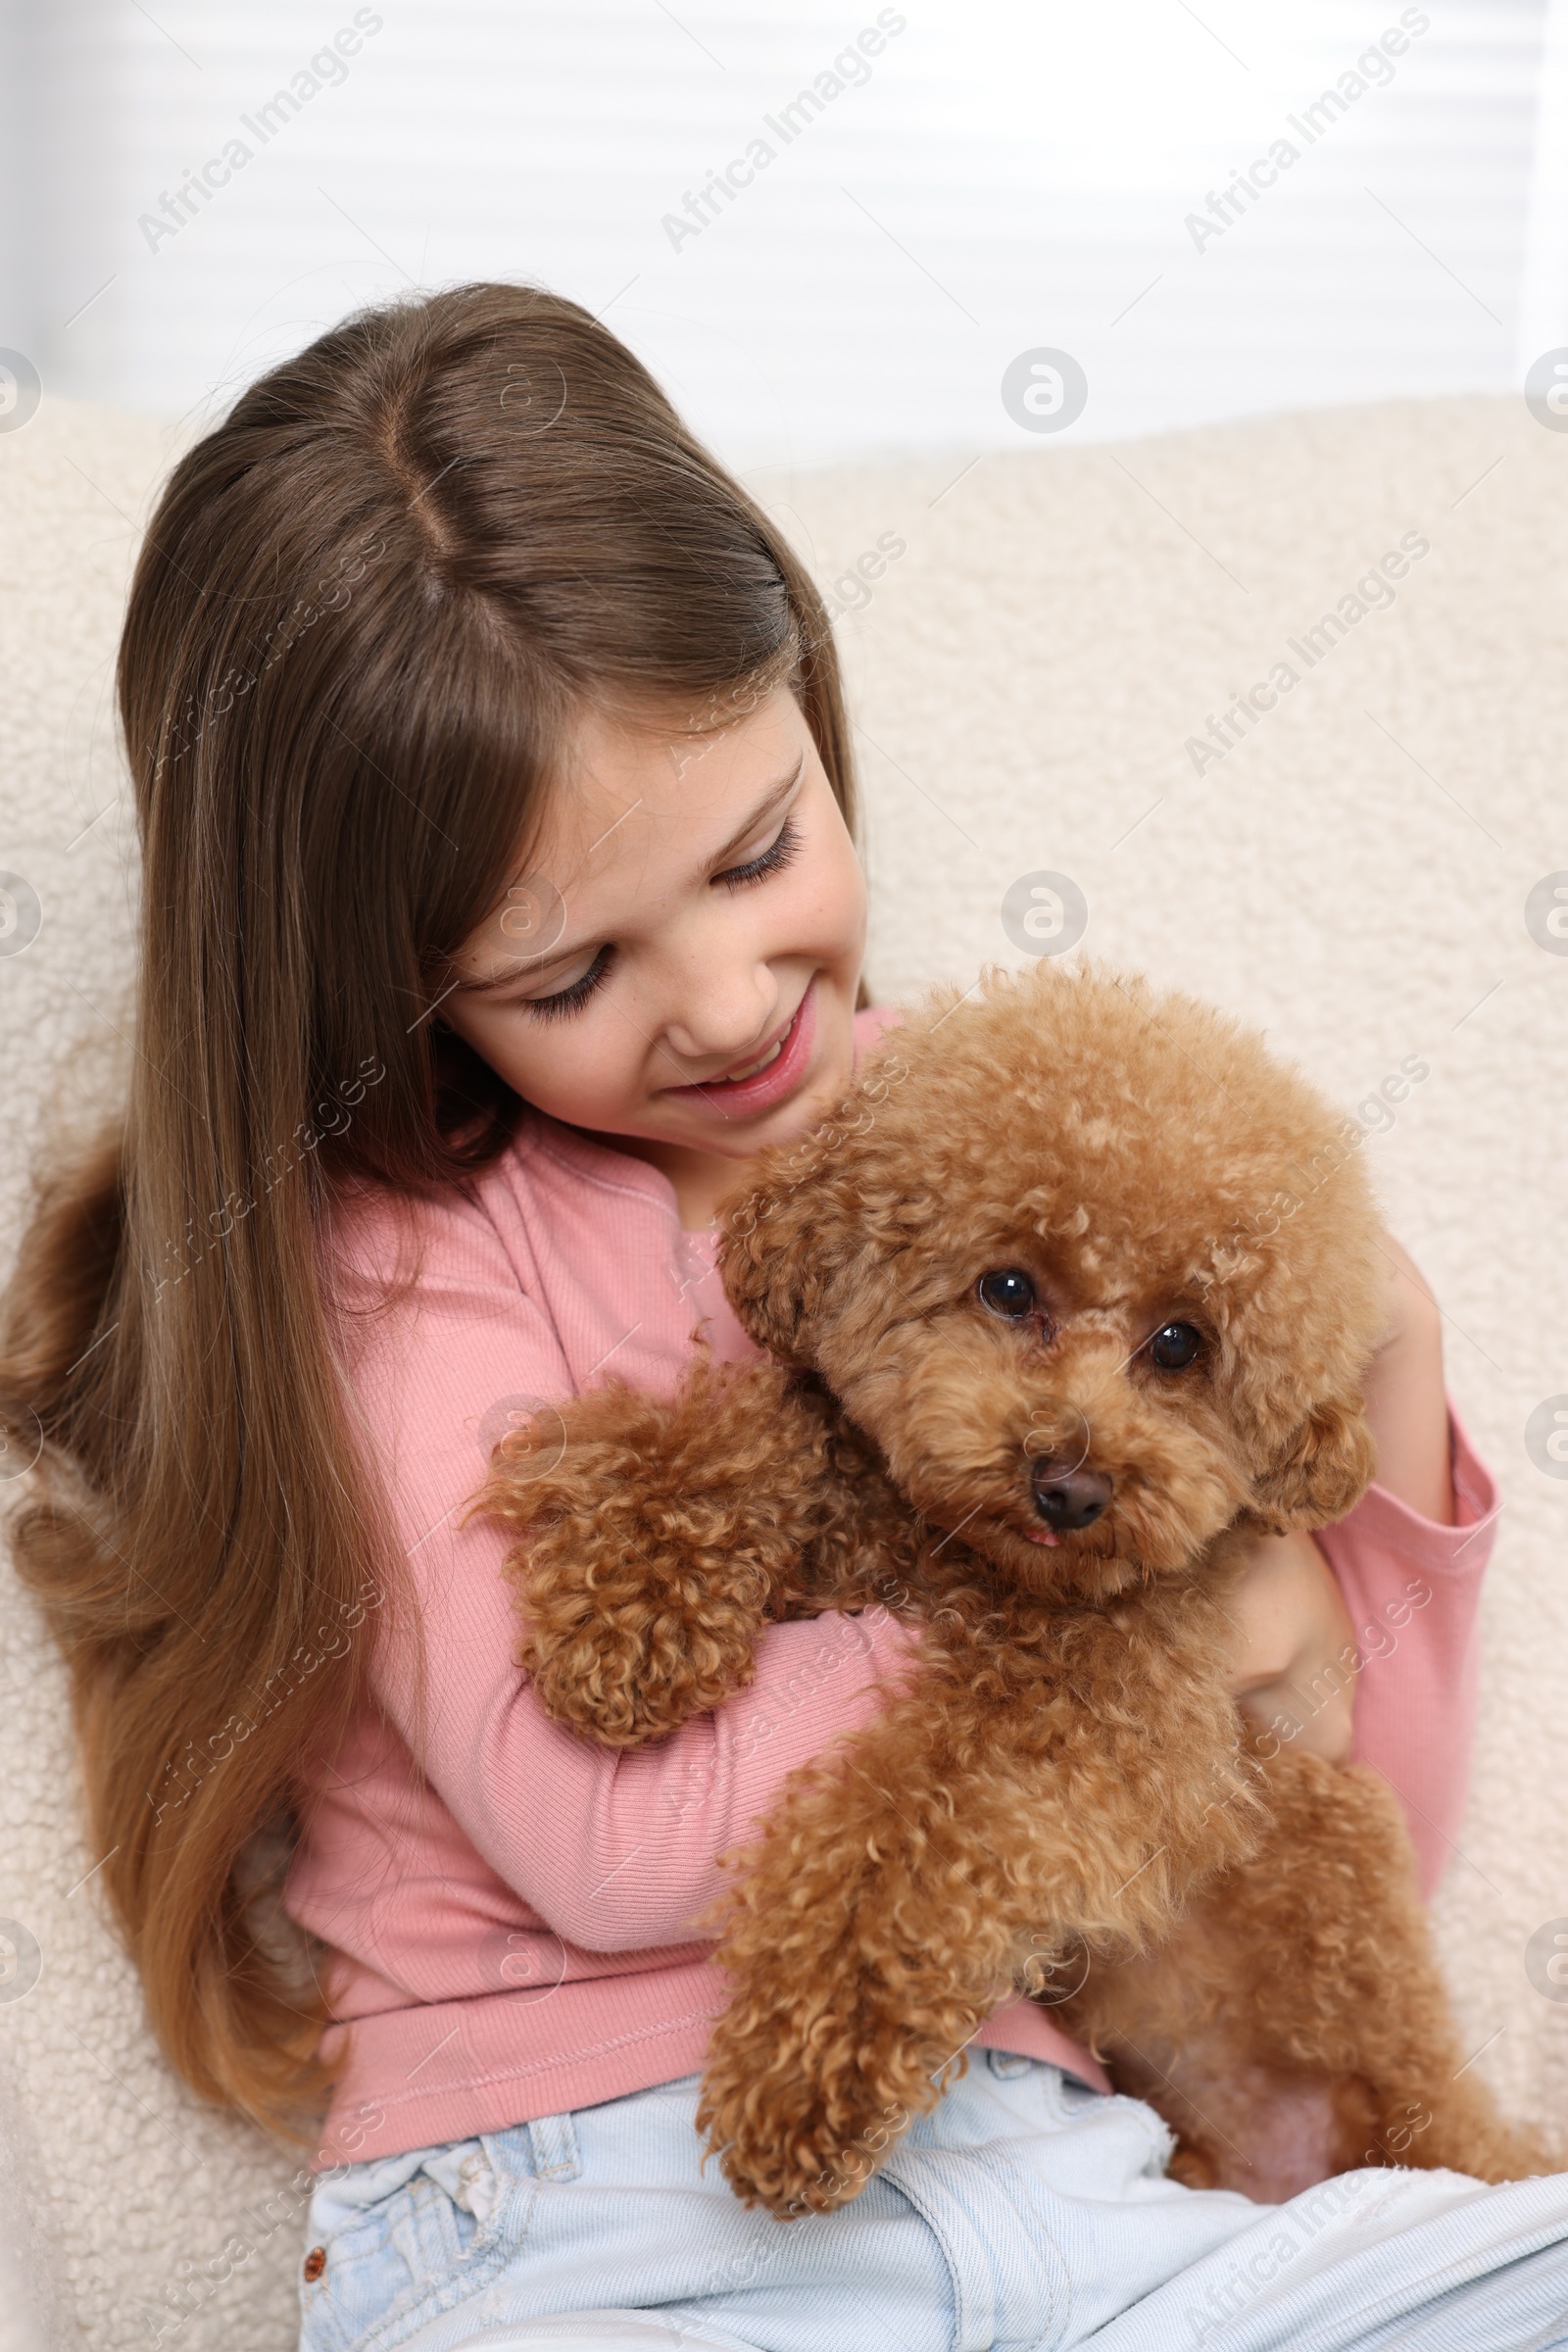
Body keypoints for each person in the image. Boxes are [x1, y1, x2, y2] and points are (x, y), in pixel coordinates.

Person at [3, 283, 1563, 2352]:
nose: (732, 1004)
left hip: (1081, 2202)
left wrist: (1378, 1391)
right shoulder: (413, 1259)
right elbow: (611, 1837)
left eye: (758, 851)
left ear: (809, 706)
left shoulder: (1038, 1137)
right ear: (388, 992)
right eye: (569, 977)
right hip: (591, 2225)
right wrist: (1146, 1649)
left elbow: (1293, 1875)